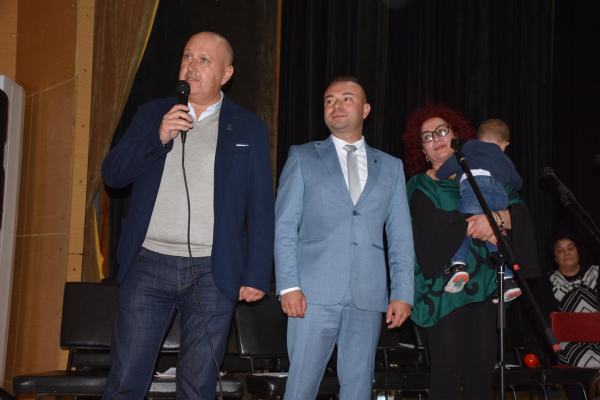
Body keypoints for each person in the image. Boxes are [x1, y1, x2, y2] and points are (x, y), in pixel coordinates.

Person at [101, 32, 274, 399]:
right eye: (187, 56)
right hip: (148, 264)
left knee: (198, 386)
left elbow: (260, 205)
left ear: (226, 74)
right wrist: (158, 137)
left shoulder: (248, 127)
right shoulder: (152, 114)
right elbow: (113, 175)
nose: (191, 66)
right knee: (125, 381)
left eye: (204, 60)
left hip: (213, 271)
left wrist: (257, 272)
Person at [274, 76, 414, 399]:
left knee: (359, 389)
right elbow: (285, 226)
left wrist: (402, 293)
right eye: (329, 100)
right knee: (301, 388)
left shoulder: (391, 167)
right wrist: (289, 285)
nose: (336, 105)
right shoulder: (302, 156)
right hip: (310, 295)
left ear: (365, 110)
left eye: (346, 98)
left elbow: (400, 236)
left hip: (368, 295)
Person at [402, 102, 539, 400]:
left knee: (481, 374)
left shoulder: (486, 173)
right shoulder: (421, 184)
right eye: (427, 137)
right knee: (447, 373)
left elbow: (520, 211)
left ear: (457, 135)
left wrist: (495, 219)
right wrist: (477, 221)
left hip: (488, 286)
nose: (436, 139)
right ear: (422, 150)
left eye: (442, 131)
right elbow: (429, 228)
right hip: (445, 290)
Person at [429, 119, 522, 302]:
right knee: (493, 234)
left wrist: (438, 175)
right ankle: (508, 279)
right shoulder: (505, 159)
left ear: (478, 138)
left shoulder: (472, 146)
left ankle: (458, 266)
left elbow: (454, 162)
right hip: (501, 198)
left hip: (477, 189)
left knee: (462, 225)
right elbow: (518, 183)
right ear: (505, 145)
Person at [536, 234, 600, 400]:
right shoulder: (548, 282)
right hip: (567, 345)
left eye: (570, 248)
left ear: (578, 251)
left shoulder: (596, 273)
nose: (567, 253)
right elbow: (545, 322)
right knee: (566, 353)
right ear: (554, 257)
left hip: (598, 340)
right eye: (560, 250)